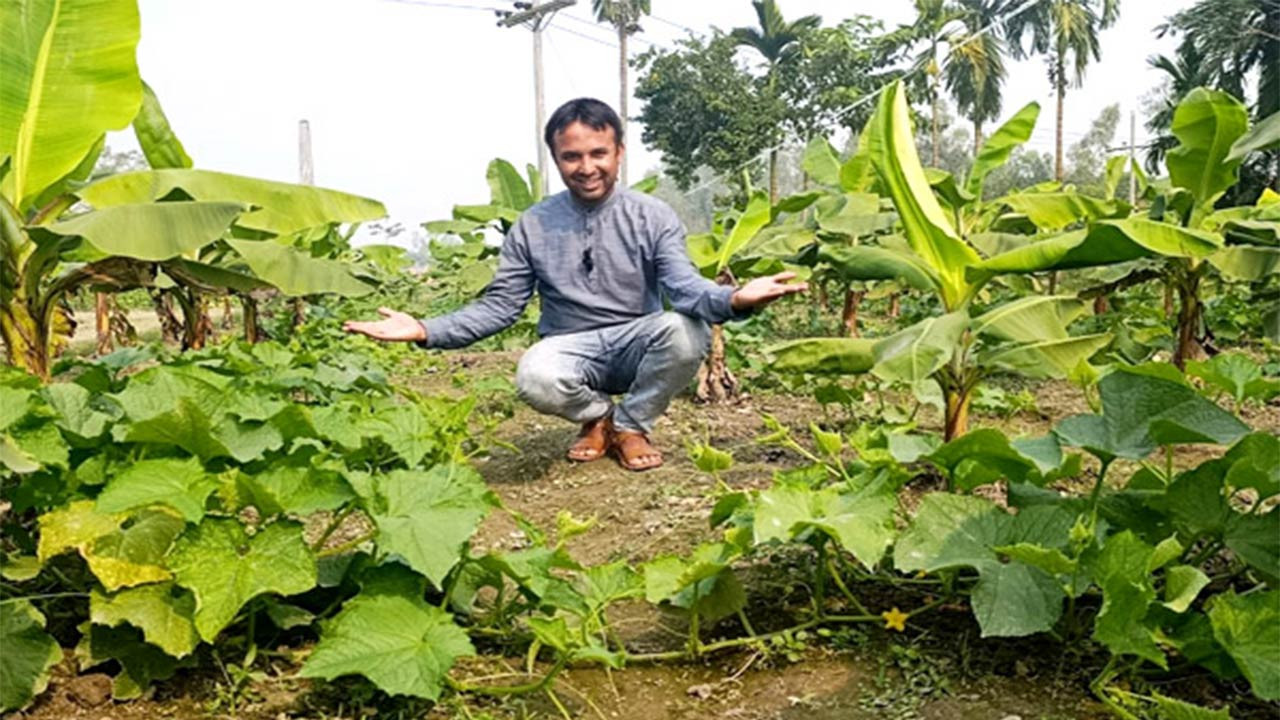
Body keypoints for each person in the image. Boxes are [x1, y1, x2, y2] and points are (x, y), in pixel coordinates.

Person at [344, 98, 804, 470]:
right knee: (535, 376)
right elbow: (501, 306)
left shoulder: (652, 215)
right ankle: (600, 418)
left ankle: (631, 425)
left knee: (686, 331)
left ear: (619, 152)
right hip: (570, 348)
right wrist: (426, 329)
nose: (586, 167)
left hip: (637, 341)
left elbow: (683, 287)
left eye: (598, 153)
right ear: (556, 159)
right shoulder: (533, 225)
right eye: (572, 156)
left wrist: (734, 298)